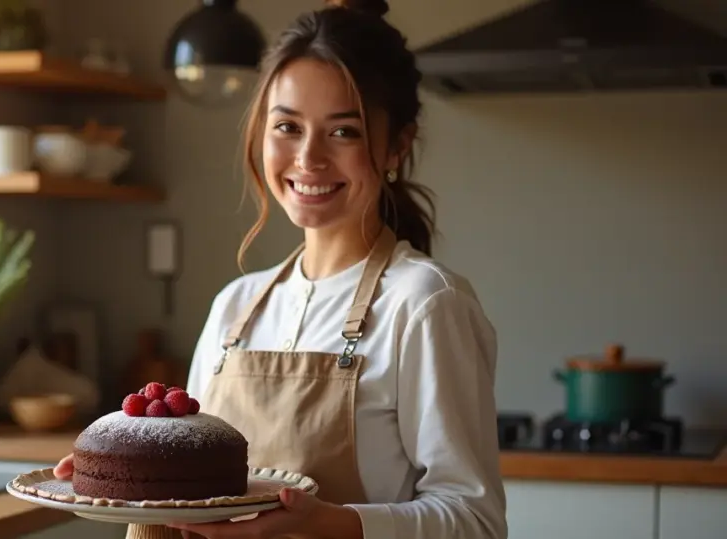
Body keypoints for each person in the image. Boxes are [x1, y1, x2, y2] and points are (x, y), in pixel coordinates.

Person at [53, 0, 507, 537]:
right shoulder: (235, 306)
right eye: (287, 126)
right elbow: (181, 500)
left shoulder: (425, 303)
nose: (309, 158)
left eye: (344, 132)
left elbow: (476, 522)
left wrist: (329, 524)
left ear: (396, 146)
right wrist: (128, 481)